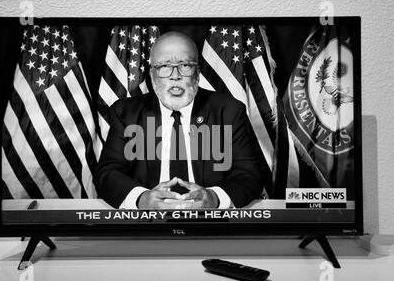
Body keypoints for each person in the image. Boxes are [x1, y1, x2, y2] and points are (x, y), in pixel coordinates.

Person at [94, 31, 269, 209]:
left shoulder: (229, 112)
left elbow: (250, 174)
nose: (175, 75)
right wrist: (141, 199)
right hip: (146, 226)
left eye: (185, 65)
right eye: (164, 66)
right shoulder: (125, 113)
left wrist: (215, 198)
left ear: (198, 73)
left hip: (211, 227)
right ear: (152, 74)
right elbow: (107, 173)